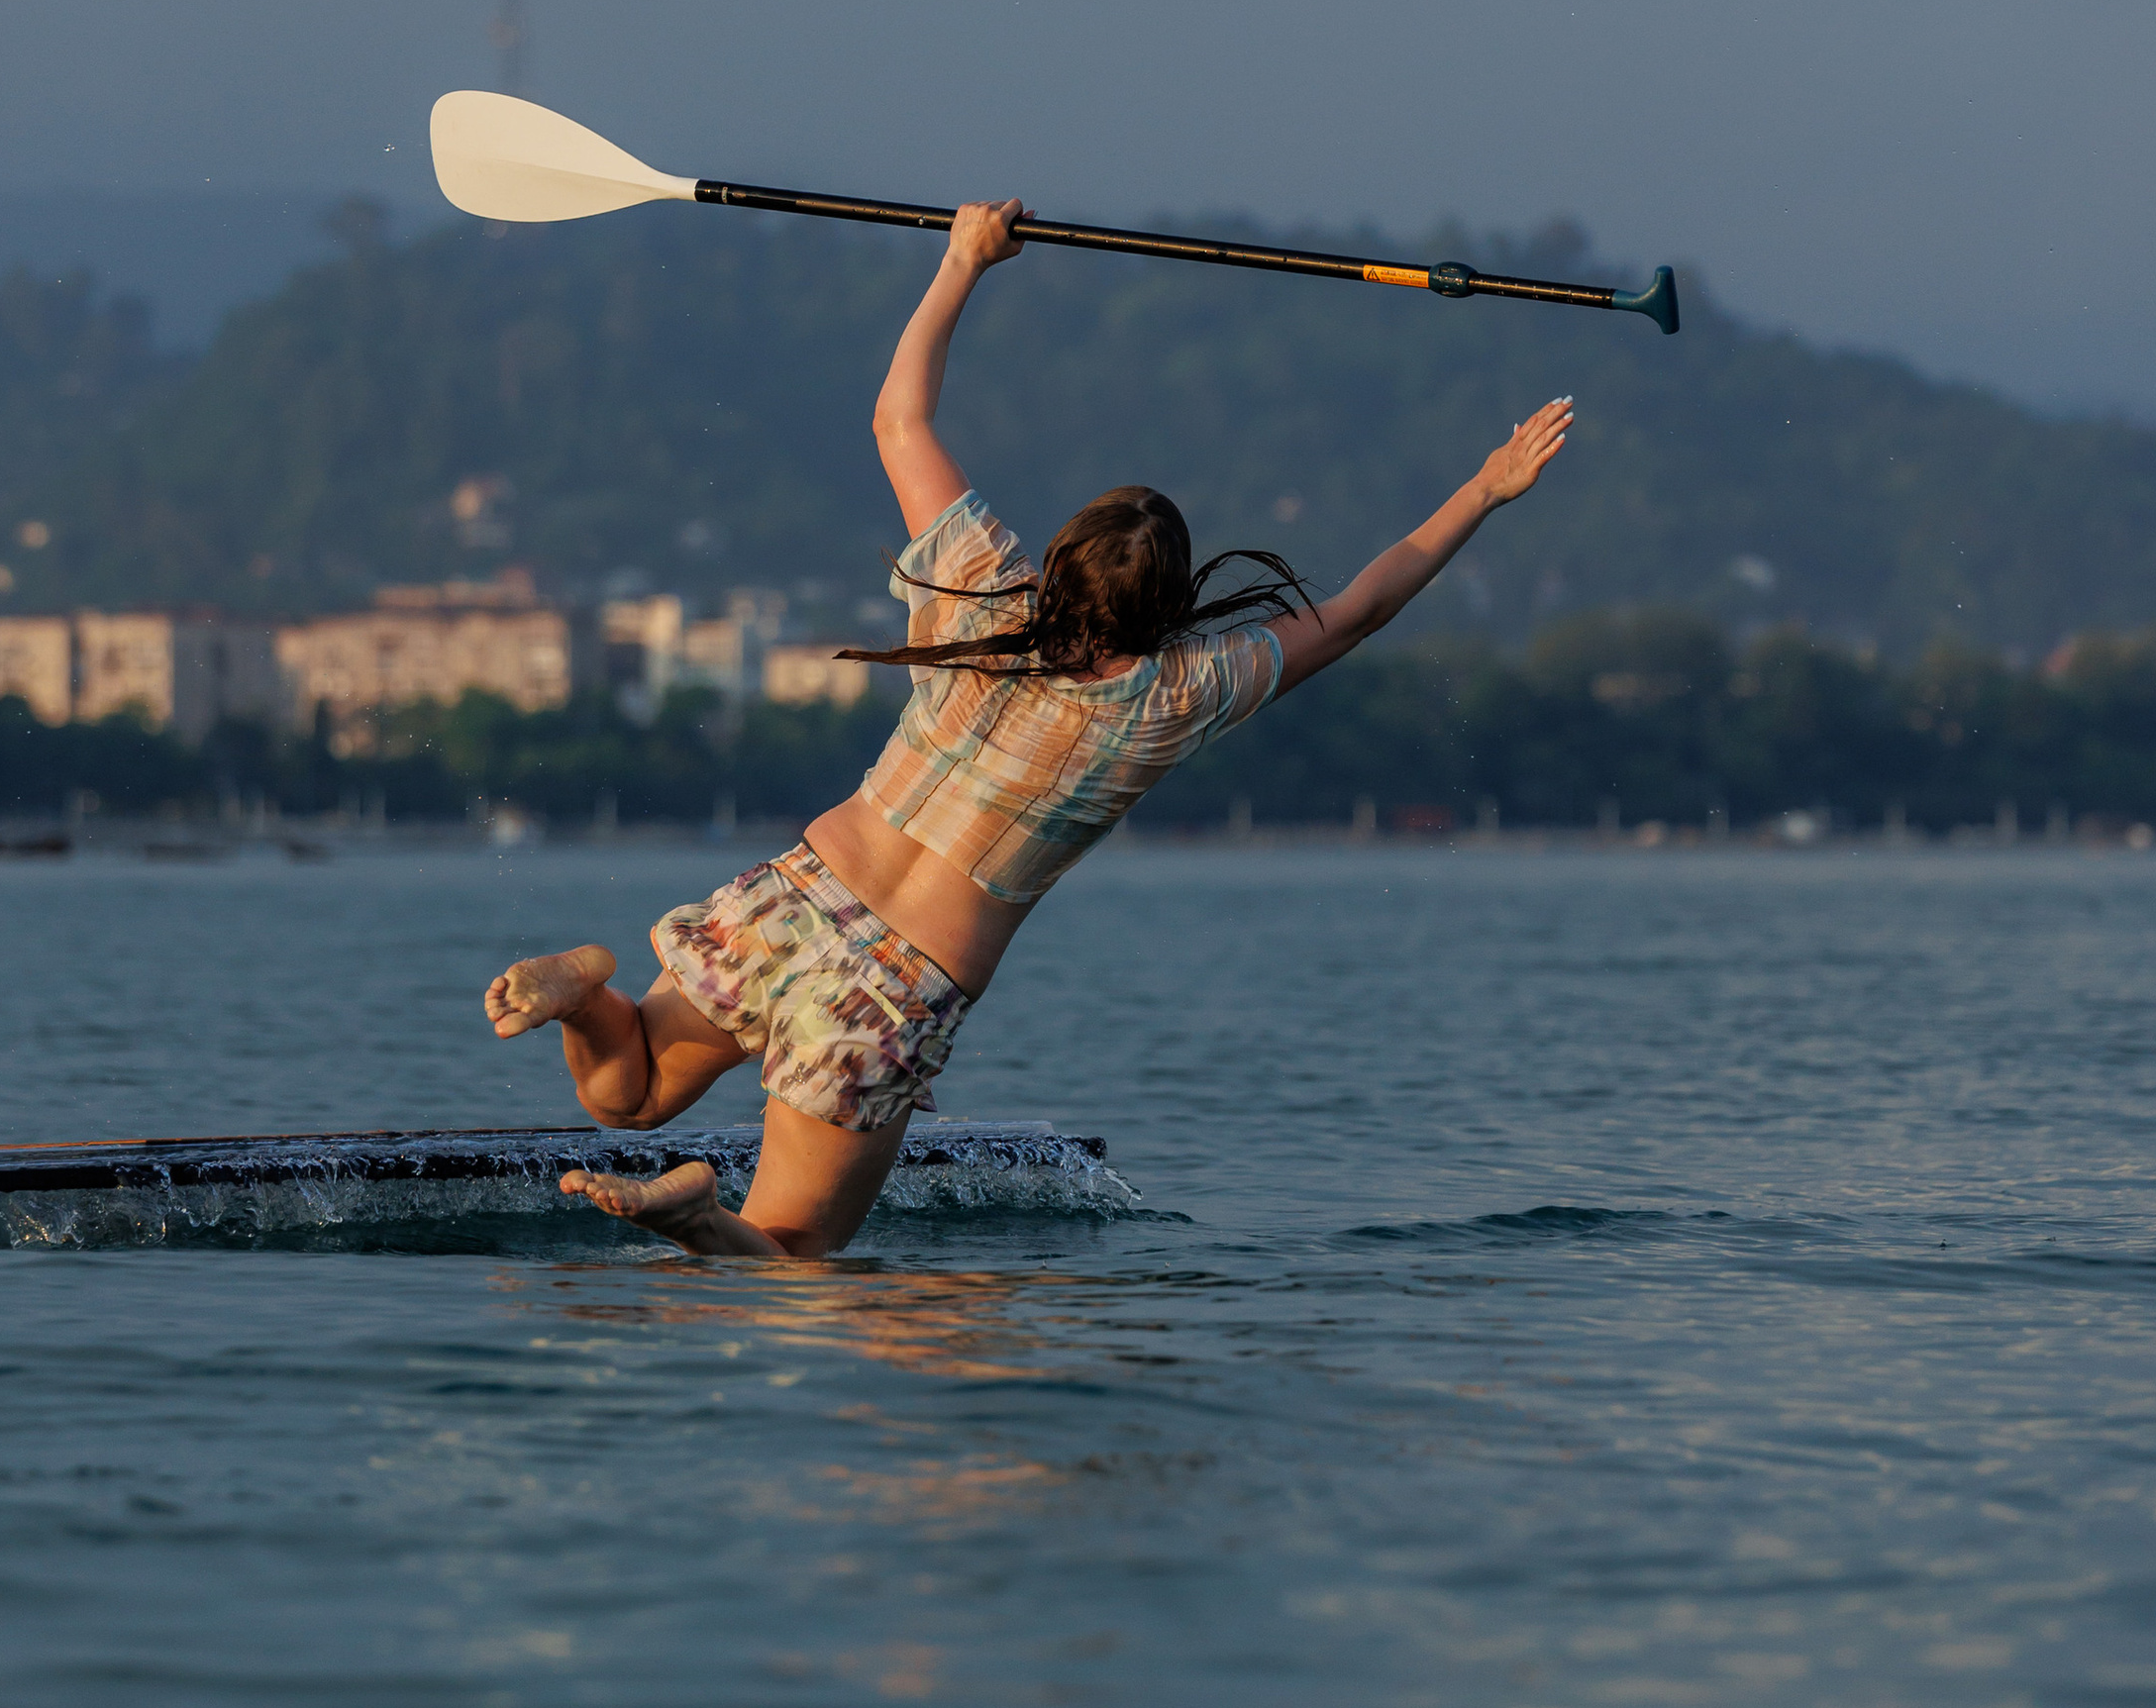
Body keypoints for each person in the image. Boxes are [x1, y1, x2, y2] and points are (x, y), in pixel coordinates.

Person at [485, 198, 1573, 1259]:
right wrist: (1483, 488)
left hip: (802, 892)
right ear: (1172, 605)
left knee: (624, 1095)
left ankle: (591, 987)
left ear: (1059, 561)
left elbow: (897, 419)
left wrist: (962, 263)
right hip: (896, 986)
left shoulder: (975, 594)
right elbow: (1359, 609)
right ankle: (693, 1214)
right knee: (790, 1251)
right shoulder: (1176, 695)